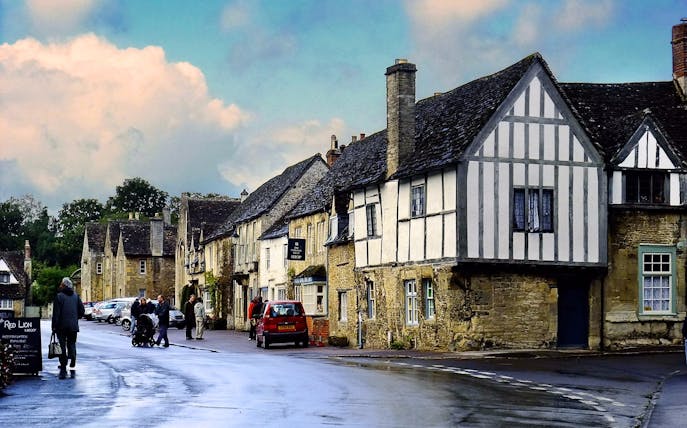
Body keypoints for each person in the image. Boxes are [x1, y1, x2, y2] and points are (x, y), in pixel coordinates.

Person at [51, 277, 85, 379]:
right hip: (73, 325)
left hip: (61, 326)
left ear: (64, 285)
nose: (60, 285)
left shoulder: (59, 297)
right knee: (72, 343)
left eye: (61, 284)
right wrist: (76, 317)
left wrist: (54, 326)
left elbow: (56, 314)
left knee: (62, 345)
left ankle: (63, 363)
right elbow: (82, 311)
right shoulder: (76, 296)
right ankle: (73, 358)